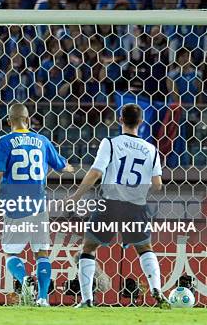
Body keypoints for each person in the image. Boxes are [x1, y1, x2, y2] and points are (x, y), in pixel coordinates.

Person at [68, 103, 170, 309]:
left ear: (120, 119)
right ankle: (156, 289)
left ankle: (87, 300)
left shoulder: (111, 143)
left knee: (88, 248)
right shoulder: (151, 149)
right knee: (144, 249)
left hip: (110, 204)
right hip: (136, 206)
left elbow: (96, 172)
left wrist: (76, 196)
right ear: (141, 122)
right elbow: (158, 185)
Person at [0, 103, 72, 307]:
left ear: (8, 121)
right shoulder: (42, 140)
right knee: (41, 251)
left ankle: (24, 281)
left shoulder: (4, 141)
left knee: (12, 252)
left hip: (15, 204)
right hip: (39, 204)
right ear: (29, 119)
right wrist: (69, 167)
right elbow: (61, 166)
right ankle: (43, 298)